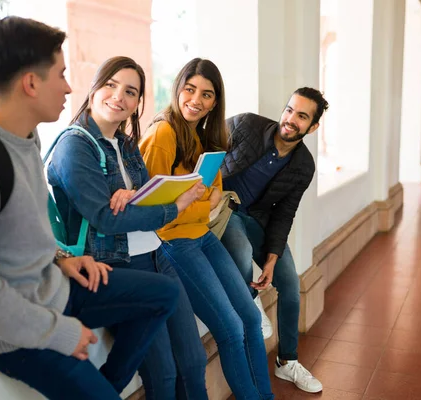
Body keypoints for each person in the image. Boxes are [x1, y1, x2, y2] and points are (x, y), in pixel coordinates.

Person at [0, 17, 179, 400]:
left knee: (164, 293)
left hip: (51, 289)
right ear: (31, 83)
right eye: (61, 74)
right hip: (10, 333)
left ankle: (106, 386)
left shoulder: (24, 138)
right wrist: (61, 332)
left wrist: (63, 257)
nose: (69, 87)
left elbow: (19, 231)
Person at [47, 56, 208, 400]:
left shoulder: (127, 143)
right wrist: (171, 208)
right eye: (110, 85)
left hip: (157, 257)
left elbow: (142, 198)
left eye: (130, 91)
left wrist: (135, 193)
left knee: (194, 361)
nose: (119, 96)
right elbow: (105, 218)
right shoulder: (73, 146)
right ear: (93, 89)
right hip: (116, 266)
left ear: (137, 103)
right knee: (162, 376)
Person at [140, 58, 274, 400]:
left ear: (216, 102)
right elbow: (156, 209)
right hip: (174, 243)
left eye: (207, 94)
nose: (196, 100)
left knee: (249, 315)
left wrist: (200, 201)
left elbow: (215, 195)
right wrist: (201, 201)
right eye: (189, 89)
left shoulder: (205, 138)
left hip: (202, 236)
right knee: (229, 328)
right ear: (178, 89)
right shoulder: (163, 133)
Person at [220, 87, 329, 393]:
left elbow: (284, 214)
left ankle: (287, 362)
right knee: (240, 250)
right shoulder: (245, 125)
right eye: (290, 110)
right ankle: (251, 302)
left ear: (313, 126)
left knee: (291, 285)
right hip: (223, 211)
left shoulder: (303, 166)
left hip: (258, 220)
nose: (291, 120)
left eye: (302, 116)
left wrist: (271, 258)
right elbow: (205, 149)